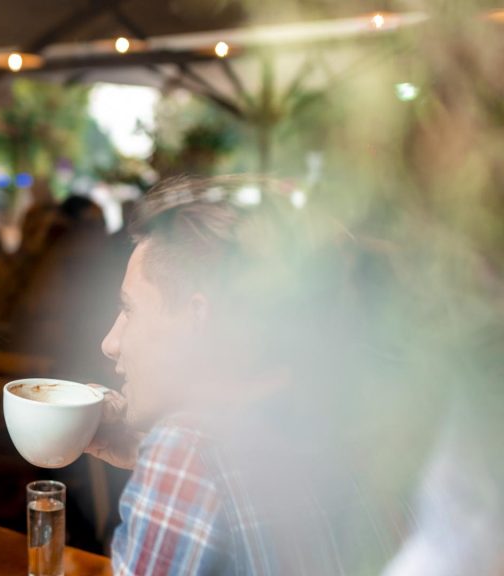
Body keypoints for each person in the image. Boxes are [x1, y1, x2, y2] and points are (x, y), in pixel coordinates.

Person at [86, 177, 412, 574]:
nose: (111, 342)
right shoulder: (349, 417)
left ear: (196, 318)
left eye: (130, 309)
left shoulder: (186, 449)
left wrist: (175, 470)